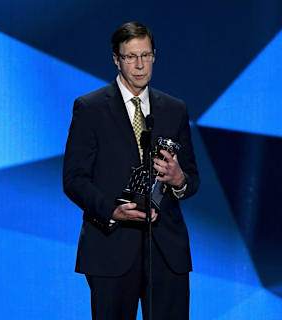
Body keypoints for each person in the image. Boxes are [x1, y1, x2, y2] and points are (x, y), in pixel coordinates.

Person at [63, 21, 199, 320]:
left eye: (146, 55)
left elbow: (191, 179)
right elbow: (74, 179)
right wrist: (112, 211)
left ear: (154, 56)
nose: (139, 65)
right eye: (130, 57)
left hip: (166, 251)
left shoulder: (175, 109)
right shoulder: (90, 108)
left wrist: (179, 180)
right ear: (116, 59)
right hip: (111, 248)